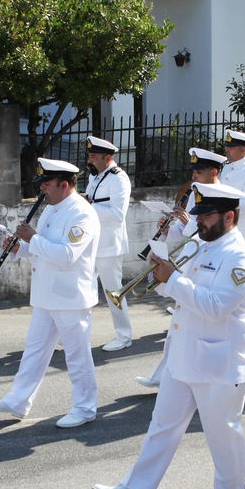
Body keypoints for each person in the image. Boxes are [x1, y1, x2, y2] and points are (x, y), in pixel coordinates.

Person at [93, 182, 245, 489]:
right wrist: (164, 275)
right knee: (161, 426)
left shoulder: (240, 257)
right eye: (198, 215)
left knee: (223, 435)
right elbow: (183, 290)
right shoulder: (204, 243)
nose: (199, 222)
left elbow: (215, 307)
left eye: (207, 216)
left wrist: (174, 279)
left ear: (229, 216)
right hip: (184, 355)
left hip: (219, 365)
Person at [0, 159, 101, 428]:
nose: (42, 189)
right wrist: (19, 249)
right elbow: (44, 248)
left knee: (77, 355)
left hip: (70, 297)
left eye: (47, 184)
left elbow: (67, 254)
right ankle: (18, 400)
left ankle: (85, 408)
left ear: (64, 184)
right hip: (47, 293)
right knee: (34, 351)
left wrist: (32, 239)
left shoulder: (82, 213)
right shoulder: (51, 208)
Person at [135, 148, 224, 390]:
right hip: (190, 257)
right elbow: (186, 235)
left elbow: (209, 236)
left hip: (206, 264)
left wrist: (185, 224)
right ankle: (162, 376)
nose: (193, 176)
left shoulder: (223, 199)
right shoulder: (196, 194)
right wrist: (168, 230)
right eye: (193, 171)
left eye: (199, 171)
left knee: (187, 322)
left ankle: (175, 377)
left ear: (214, 172)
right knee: (178, 321)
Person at [84, 136, 133, 352]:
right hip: (92, 242)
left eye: (94, 157)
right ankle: (76, 331)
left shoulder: (118, 179)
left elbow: (117, 214)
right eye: (90, 156)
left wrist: (88, 206)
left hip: (110, 246)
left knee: (114, 293)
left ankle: (124, 335)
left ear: (108, 158)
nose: (90, 160)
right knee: (83, 287)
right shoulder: (96, 176)